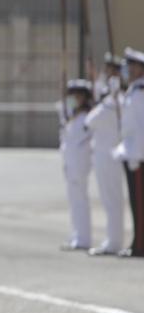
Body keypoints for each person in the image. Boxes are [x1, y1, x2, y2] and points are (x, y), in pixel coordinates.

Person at [86, 58, 125, 256]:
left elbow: (89, 120)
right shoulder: (113, 100)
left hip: (109, 157)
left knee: (112, 201)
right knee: (109, 201)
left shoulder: (114, 102)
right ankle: (112, 239)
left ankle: (114, 241)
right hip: (106, 156)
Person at [113, 47, 144, 258]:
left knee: (140, 202)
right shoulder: (133, 91)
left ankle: (140, 245)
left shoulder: (140, 92)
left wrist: (137, 154)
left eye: (132, 66)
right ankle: (137, 241)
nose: (128, 70)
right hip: (132, 153)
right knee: (135, 201)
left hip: (138, 156)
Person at [58, 80, 94, 251]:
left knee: (80, 201)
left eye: (77, 96)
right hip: (70, 164)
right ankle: (77, 234)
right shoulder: (72, 116)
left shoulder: (86, 117)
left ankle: (83, 238)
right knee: (74, 201)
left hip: (79, 164)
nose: (73, 99)